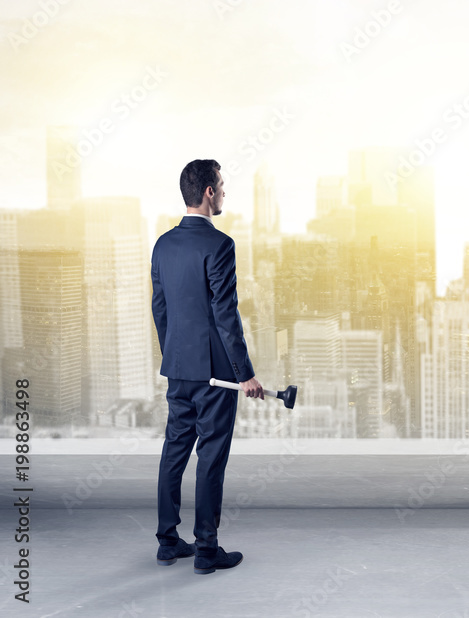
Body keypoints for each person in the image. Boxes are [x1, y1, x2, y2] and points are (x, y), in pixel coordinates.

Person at [151, 159, 264, 574]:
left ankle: (167, 542)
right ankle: (206, 549)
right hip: (216, 373)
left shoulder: (162, 245)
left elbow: (159, 307)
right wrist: (245, 373)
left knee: (174, 451)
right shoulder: (220, 245)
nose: (223, 194)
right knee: (211, 457)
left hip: (178, 367)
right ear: (209, 193)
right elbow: (225, 315)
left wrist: (174, 354)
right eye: (221, 187)